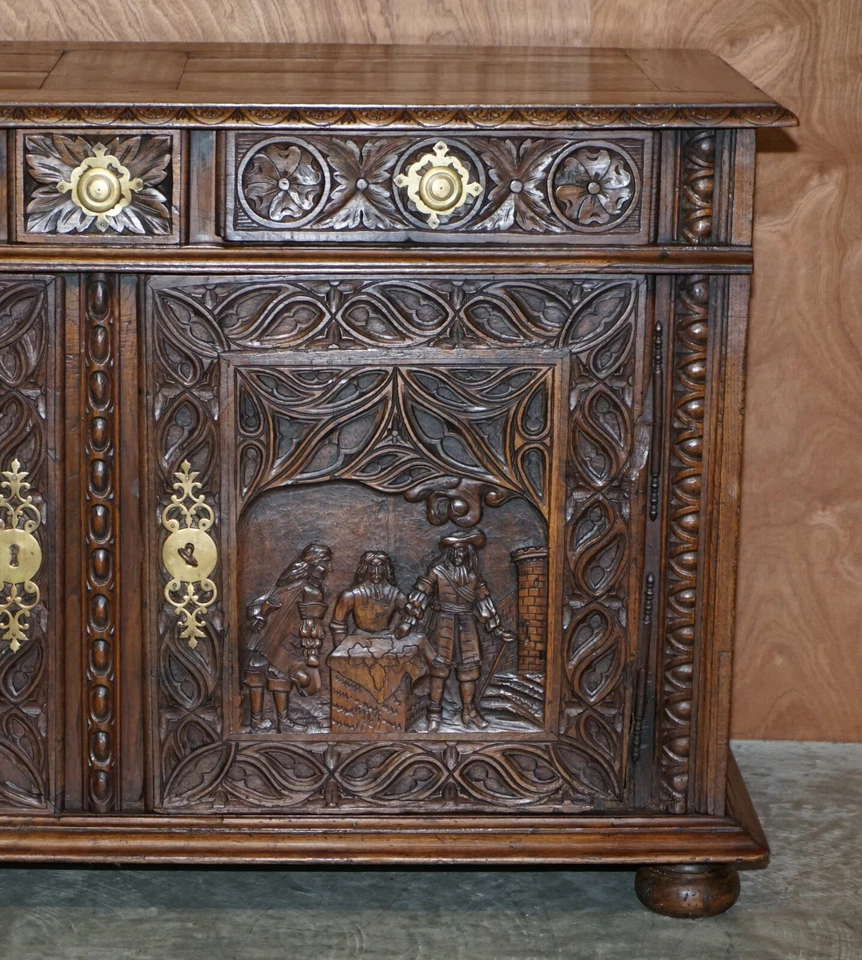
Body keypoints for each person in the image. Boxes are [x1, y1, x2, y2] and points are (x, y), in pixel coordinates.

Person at [396, 530, 515, 731]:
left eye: (463, 551)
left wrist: (497, 630)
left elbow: (484, 603)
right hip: (442, 623)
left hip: (467, 625)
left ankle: (469, 711)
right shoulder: (437, 572)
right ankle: (434, 714)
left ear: (468, 553)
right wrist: (408, 621)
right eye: (455, 551)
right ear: (449, 552)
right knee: (439, 671)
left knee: (469, 671)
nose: (459, 555)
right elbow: (421, 596)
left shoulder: (473, 577)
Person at [244, 542, 331, 732]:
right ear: (313, 563)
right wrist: (261, 614)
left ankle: (283, 722)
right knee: (257, 674)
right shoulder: (295, 588)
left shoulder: (312, 590)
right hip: (267, 638)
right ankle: (256, 721)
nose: (328, 569)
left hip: (285, 640)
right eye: (325, 563)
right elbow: (258, 604)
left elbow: (312, 623)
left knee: (279, 676)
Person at [329, 550, 407, 644]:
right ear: (364, 568)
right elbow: (338, 625)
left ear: (387, 569)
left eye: (381, 566)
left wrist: (407, 624)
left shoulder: (396, 595)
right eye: (372, 566)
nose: (376, 572)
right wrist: (341, 648)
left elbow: (408, 616)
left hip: (386, 641)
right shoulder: (350, 595)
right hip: (359, 642)